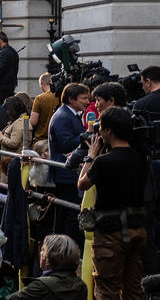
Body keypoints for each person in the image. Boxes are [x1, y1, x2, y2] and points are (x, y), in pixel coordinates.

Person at [77, 106, 148, 299]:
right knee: (134, 289)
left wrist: (90, 156)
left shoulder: (103, 162)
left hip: (110, 234)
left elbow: (82, 184)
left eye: (101, 127)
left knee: (107, 290)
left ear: (108, 130)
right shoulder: (140, 158)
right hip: (137, 229)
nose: (98, 131)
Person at [48, 82, 90, 241]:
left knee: (67, 212)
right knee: (67, 213)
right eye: (84, 98)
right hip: (65, 173)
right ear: (71, 99)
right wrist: (86, 136)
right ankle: (63, 246)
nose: (87, 101)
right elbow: (65, 143)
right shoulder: (63, 116)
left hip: (68, 172)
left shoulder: (69, 114)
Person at [6, 234, 86, 300]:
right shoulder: (81, 286)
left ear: (49, 256)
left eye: (43, 250)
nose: (40, 253)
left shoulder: (41, 286)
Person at [0, 32, 19, 103]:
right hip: (9, 85)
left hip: (1, 87)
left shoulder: (3, 53)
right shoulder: (13, 51)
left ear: (0, 41)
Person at [29, 73, 59, 143]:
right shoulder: (61, 96)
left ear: (42, 83)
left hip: (41, 140)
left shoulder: (39, 98)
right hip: (57, 140)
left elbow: (33, 122)